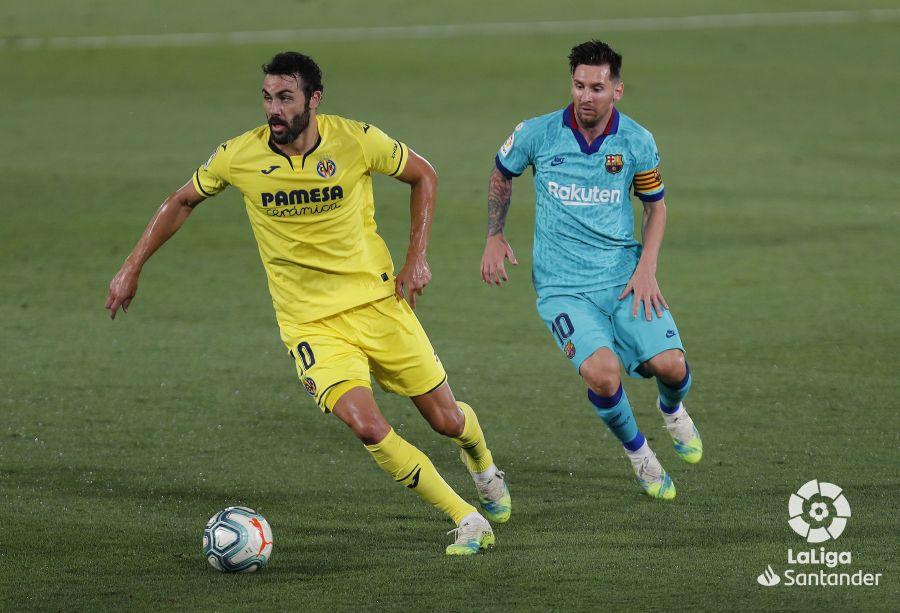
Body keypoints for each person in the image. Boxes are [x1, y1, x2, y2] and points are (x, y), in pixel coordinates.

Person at [106, 51, 509, 554]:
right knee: (366, 425)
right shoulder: (240, 155)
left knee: (446, 421)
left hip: (377, 303)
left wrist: (416, 259)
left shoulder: (356, 140)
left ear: (313, 100)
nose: (273, 110)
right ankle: (466, 518)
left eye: (285, 98)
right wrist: (132, 264)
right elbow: (183, 199)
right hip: (310, 323)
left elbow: (424, 174)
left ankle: (482, 462)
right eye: (267, 98)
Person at [480, 40, 702, 500]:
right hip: (562, 287)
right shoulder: (538, 134)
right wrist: (494, 235)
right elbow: (503, 172)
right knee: (603, 374)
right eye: (579, 85)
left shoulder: (636, 141)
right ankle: (641, 456)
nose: (586, 96)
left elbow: (655, 208)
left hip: (623, 277)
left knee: (673, 367)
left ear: (616, 90)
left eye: (597, 87)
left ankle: (672, 409)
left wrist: (647, 268)